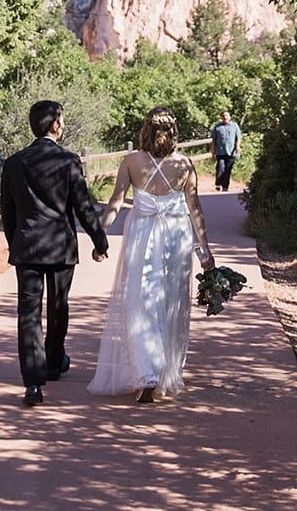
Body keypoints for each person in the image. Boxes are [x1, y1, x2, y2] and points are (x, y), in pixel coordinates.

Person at [87, 106, 215, 403]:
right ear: (173, 132)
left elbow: (115, 204)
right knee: (171, 302)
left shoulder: (131, 162)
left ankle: (148, 373)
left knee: (140, 302)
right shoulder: (185, 165)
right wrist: (205, 252)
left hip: (142, 237)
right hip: (176, 239)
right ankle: (166, 370)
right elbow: (195, 211)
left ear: (145, 130)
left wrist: (100, 236)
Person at [0, 100, 110, 408]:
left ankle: (33, 384)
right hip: (60, 247)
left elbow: (7, 212)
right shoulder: (69, 161)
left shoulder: (14, 163)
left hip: (28, 247)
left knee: (29, 313)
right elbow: (83, 206)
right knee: (58, 305)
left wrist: (15, 242)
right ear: (56, 125)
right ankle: (53, 360)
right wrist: (99, 241)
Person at [210, 110, 241, 192]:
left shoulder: (234, 126)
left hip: (231, 152)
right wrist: (212, 150)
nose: (225, 117)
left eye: (227, 115)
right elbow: (213, 140)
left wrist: (237, 146)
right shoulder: (217, 127)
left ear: (230, 117)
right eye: (223, 116)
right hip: (220, 152)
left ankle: (225, 186)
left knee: (228, 170)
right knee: (221, 167)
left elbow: (238, 137)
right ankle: (218, 184)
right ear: (221, 117)